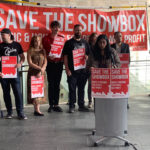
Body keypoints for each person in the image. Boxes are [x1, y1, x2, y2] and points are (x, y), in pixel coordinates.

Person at [0, 28, 27, 120]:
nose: (2, 37)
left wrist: (20, 63)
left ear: (9, 35)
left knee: (18, 93)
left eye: (3, 35)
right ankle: (9, 112)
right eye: (1, 35)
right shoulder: (1, 46)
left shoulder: (17, 45)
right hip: (3, 74)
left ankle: (20, 112)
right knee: (6, 93)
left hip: (14, 73)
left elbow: (22, 57)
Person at [63, 24, 90, 113]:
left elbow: (89, 55)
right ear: (74, 31)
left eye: (80, 30)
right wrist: (67, 69)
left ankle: (81, 105)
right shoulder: (68, 43)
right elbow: (65, 56)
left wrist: (87, 57)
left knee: (81, 89)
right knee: (72, 89)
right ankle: (71, 106)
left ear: (82, 31)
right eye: (77, 30)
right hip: (72, 71)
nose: (78, 32)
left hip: (82, 71)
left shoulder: (85, 43)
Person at [42, 21, 64, 113]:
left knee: (57, 84)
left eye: (58, 27)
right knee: (51, 84)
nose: (56, 29)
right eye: (54, 27)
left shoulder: (62, 38)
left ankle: (56, 104)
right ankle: (51, 105)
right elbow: (42, 52)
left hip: (59, 63)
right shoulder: (45, 39)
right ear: (51, 28)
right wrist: (47, 56)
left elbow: (64, 51)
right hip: (50, 64)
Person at [27, 35, 47, 116]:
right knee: (34, 91)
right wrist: (40, 68)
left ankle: (37, 109)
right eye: (35, 41)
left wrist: (43, 69)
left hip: (41, 73)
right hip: (32, 73)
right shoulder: (30, 50)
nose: (37, 42)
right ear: (33, 42)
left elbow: (45, 61)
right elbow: (30, 63)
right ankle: (36, 109)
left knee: (39, 91)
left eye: (38, 40)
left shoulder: (43, 50)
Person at [111, 31, 130, 109]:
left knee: (125, 86)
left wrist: (127, 66)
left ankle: (126, 102)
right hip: (115, 69)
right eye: (118, 36)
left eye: (121, 36)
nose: (119, 38)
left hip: (124, 69)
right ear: (114, 37)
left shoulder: (126, 46)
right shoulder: (111, 46)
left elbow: (128, 57)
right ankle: (116, 101)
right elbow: (111, 58)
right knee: (116, 86)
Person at [86, 33, 97, 108]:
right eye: (93, 37)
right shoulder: (87, 46)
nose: (94, 39)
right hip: (89, 68)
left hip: (97, 69)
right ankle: (90, 101)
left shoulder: (99, 46)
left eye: (96, 38)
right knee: (90, 85)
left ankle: (96, 101)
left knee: (97, 86)